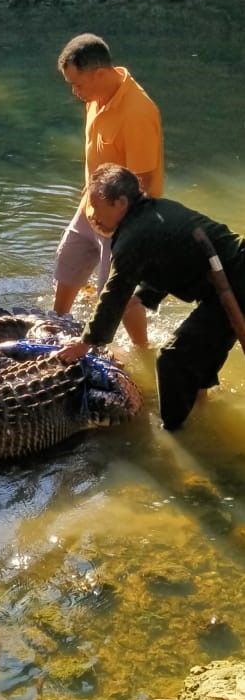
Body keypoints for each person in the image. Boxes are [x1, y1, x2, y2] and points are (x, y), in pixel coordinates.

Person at [56, 163, 245, 432]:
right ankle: (202, 410)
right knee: (199, 351)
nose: (92, 216)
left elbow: (114, 293)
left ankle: (176, 434)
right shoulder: (155, 212)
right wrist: (143, 297)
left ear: (121, 203)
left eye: (97, 207)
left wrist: (86, 343)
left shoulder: (132, 236)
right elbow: (175, 263)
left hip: (235, 283)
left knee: (172, 359)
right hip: (228, 282)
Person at [53, 33, 164, 347]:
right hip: (91, 204)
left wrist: (115, 228)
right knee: (67, 262)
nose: (75, 92)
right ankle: (57, 324)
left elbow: (141, 183)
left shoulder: (138, 112)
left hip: (122, 217)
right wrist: (88, 201)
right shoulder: (95, 97)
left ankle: (142, 351)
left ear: (99, 74)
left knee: (116, 293)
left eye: (78, 84)